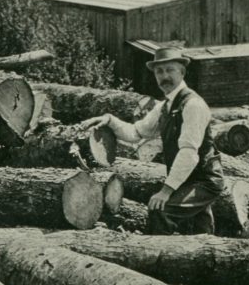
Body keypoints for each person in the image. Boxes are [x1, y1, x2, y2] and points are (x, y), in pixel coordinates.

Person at [80, 46, 225, 234]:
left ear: (182, 72)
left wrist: (166, 191)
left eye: (170, 70)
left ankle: (158, 258)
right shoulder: (164, 107)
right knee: (199, 229)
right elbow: (135, 133)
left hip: (205, 180)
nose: (164, 76)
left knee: (160, 210)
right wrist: (109, 120)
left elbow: (189, 154)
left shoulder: (193, 105)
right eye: (159, 71)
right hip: (188, 179)